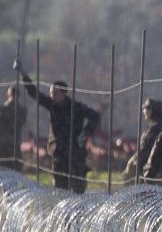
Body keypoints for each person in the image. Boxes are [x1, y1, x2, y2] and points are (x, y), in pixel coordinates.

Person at [15, 60, 101, 193]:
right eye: (51, 93)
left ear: (63, 93)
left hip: (75, 155)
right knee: (60, 191)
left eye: (55, 93)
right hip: (59, 156)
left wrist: (85, 133)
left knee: (78, 190)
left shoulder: (77, 108)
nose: (51, 96)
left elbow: (95, 116)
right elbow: (34, 93)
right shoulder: (53, 106)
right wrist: (23, 73)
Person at [123, 98, 162, 184]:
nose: (143, 112)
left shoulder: (153, 130)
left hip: (150, 173)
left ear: (150, 111)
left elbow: (143, 151)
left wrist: (132, 164)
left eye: (145, 109)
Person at [0, 84, 27, 171]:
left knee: (2, 169)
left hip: (1, 143)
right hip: (15, 143)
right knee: (15, 170)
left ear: (8, 94)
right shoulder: (22, 111)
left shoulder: (0, 109)